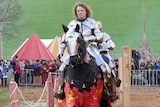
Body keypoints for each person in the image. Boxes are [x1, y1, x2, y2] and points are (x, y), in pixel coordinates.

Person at [54, 2, 111, 99]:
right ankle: (61, 89)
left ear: (86, 12)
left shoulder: (92, 22)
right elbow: (65, 39)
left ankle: (105, 90)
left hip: (90, 48)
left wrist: (90, 39)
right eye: (78, 11)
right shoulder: (72, 24)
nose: (80, 12)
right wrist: (61, 52)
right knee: (62, 68)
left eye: (81, 10)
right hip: (75, 49)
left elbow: (98, 35)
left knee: (103, 67)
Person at [96, 21, 121, 98]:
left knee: (110, 65)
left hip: (104, 54)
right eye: (96, 25)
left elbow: (112, 44)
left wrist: (107, 45)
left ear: (101, 26)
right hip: (95, 55)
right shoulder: (92, 36)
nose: (97, 26)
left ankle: (114, 79)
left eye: (99, 25)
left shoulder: (104, 35)